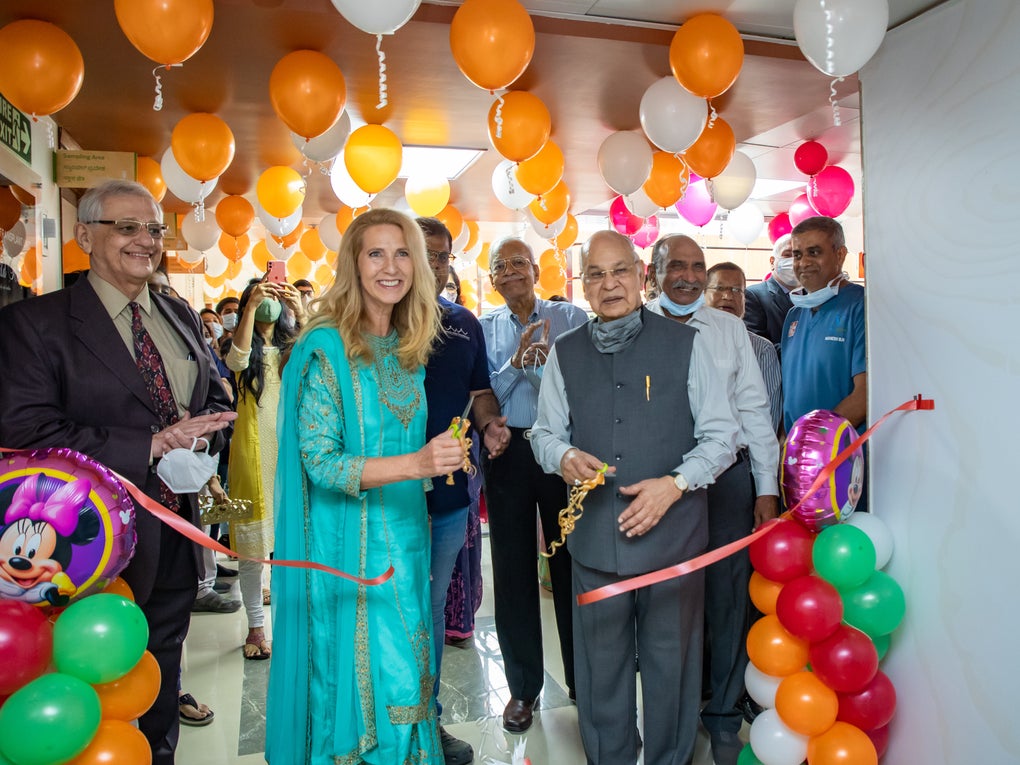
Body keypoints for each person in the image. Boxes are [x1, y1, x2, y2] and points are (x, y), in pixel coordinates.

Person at [0, 179, 235, 765]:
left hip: (175, 530)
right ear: (84, 236)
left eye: (154, 229)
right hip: (83, 548)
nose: (145, 241)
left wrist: (203, 440)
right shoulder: (34, 325)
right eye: (126, 227)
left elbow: (214, 392)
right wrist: (150, 445)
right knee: (89, 690)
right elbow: (26, 435)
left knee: (160, 668)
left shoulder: (178, 310)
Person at [530, 230, 737, 765]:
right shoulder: (564, 353)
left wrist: (675, 484)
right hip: (595, 545)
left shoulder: (687, 345)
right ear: (583, 286)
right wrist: (562, 457)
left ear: (642, 276)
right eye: (595, 275)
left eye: (619, 270)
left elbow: (722, 436)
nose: (609, 284)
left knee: (673, 667)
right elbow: (543, 433)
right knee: (601, 672)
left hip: (674, 546)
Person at [265, 208, 464, 765]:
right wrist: (418, 463)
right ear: (353, 263)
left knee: (410, 678)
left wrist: (439, 456)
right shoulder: (325, 348)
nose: (391, 267)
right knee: (368, 684)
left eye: (402, 254)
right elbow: (320, 463)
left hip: (405, 539)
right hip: (347, 551)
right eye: (375, 253)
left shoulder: (408, 346)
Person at [647, 235, 779, 765]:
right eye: (675, 265)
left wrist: (766, 489)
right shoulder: (635, 327)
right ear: (654, 272)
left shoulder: (729, 331)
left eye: (697, 266)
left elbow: (755, 412)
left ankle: (722, 714)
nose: (688, 276)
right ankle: (673, 711)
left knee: (727, 601)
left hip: (726, 484)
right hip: (661, 484)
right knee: (669, 604)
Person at [478, 237, 588, 733]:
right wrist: (516, 364)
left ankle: (586, 681)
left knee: (573, 567)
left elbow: (582, 395)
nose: (510, 272)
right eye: (500, 267)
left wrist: (544, 370)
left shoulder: (572, 319)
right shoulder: (484, 328)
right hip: (509, 452)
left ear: (537, 270)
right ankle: (523, 689)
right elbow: (484, 396)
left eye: (518, 263)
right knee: (513, 570)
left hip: (562, 451)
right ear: (493, 279)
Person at [417, 216, 510, 765]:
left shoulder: (462, 324)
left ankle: (425, 722)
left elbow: (480, 393)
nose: (431, 263)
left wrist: (492, 425)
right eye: (418, 251)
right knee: (379, 612)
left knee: (427, 614)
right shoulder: (371, 322)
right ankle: (372, 725)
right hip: (378, 500)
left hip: (448, 502)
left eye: (440, 254)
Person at [225, 277, 304, 659]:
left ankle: (289, 623)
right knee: (252, 549)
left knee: (288, 545)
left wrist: (302, 311)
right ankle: (256, 627)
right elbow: (236, 360)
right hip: (250, 457)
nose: (269, 303)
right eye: (261, 297)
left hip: (289, 455)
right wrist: (251, 308)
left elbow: (320, 358)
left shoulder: (292, 345)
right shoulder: (241, 346)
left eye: (273, 296)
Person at [782, 216, 867, 433]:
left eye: (814, 252)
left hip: (840, 451)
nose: (804, 263)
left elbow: (865, 393)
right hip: (797, 454)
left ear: (840, 254)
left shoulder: (861, 307)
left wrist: (815, 439)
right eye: (797, 255)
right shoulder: (794, 315)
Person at [705, 262, 783, 433]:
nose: (727, 296)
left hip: (744, 454)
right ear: (703, 295)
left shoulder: (762, 351)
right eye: (719, 288)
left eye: (736, 290)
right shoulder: (688, 342)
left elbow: (767, 419)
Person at [743, 234, 797, 355]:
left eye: (798, 256)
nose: (794, 261)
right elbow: (756, 345)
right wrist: (807, 350)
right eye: (787, 255)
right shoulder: (753, 295)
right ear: (772, 262)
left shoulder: (812, 297)